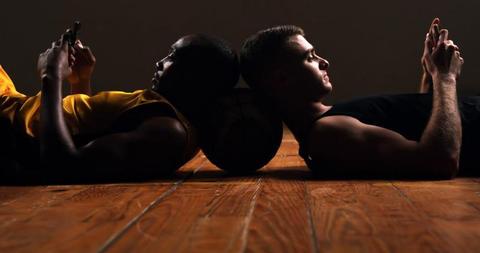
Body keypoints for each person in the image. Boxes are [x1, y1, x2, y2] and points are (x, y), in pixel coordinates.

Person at [240, 18, 478, 179]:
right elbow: (439, 161)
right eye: (309, 57)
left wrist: (429, 75)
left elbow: (419, 127)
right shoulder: (328, 132)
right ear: (282, 79)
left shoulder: (330, 122)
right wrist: (445, 78)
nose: (325, 62)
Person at [0, 30, 239, 182]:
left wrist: (51, 74)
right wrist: (81, 80)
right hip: (12, 104)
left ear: (195, 79)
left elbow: (64, 163)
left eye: (173, 57)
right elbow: (82, 128)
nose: (160, 62)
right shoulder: (164, 112)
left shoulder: (170, 131)